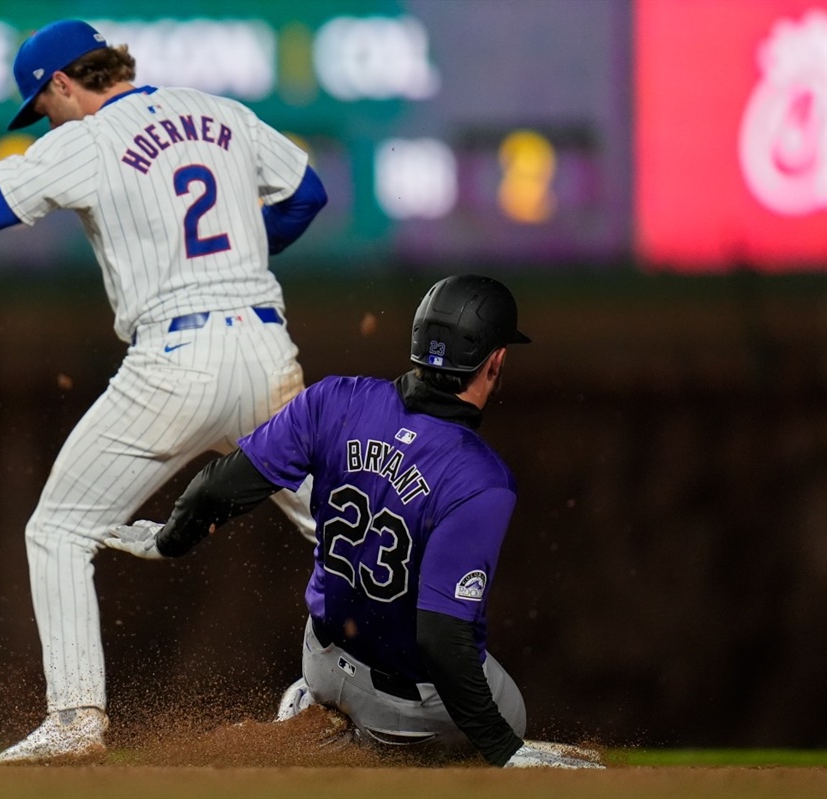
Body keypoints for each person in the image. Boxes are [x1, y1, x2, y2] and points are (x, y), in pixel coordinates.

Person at [0, 19, 327, 764]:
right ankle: (377, 690)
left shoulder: (86, 139)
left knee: (61, 529)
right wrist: (234, 252)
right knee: (345, 530)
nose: (46, 117)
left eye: (42, 105)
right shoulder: (221, 112)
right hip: (269, 351)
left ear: (63, 84)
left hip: (175, 360)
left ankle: (77, 719)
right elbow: (309, 193)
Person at [106, 275, 605, 769]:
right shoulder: (481, 477)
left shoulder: (335, 400)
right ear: (496, 361)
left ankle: (318, 709)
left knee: (393, 653)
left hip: (320, 659)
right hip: (408, 703)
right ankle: (381, 743)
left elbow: (222, 486)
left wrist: (170, 540)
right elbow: (441, 637)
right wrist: (505, 749)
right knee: (506, 709)